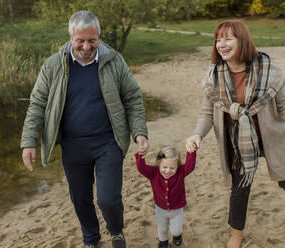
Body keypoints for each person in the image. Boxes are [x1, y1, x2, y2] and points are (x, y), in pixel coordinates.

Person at [20, 10, 149, 248]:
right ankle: (91, 238)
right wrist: (29, 142)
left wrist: (139, 131)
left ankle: (116, 231)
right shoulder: (53, 65)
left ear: (98, 36)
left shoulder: (114, 60)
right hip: (73, 145)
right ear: (71, 37)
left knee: (108, 200)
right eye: (81, 40)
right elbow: (37, 103)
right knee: (80, 199)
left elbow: (132, 97)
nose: (87, 46)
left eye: (92, 40)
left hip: (108, 142)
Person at [186, 20, 285, 248]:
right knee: (240, 189)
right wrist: (197, 134)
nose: (221, 44)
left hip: (271, 137)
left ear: (242, 40)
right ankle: (237, 232)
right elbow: (207, 112)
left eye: (228, 38)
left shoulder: (268, 68)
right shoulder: (213, 75)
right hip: (239, 142)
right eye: (218, 39)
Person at [135, 146, 196, 248]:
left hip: (176, 210)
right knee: (162, 228)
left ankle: (177, 236)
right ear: (159, 164)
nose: (168, 171)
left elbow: (190, 166)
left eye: (172, 168)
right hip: (160, 209)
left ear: (177, 166)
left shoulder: (181, 173)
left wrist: (191, 152)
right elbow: (141, 168)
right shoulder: (153, 173)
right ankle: (163, 242)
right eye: (164, 167)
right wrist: (140, 156)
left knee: (176, 230)